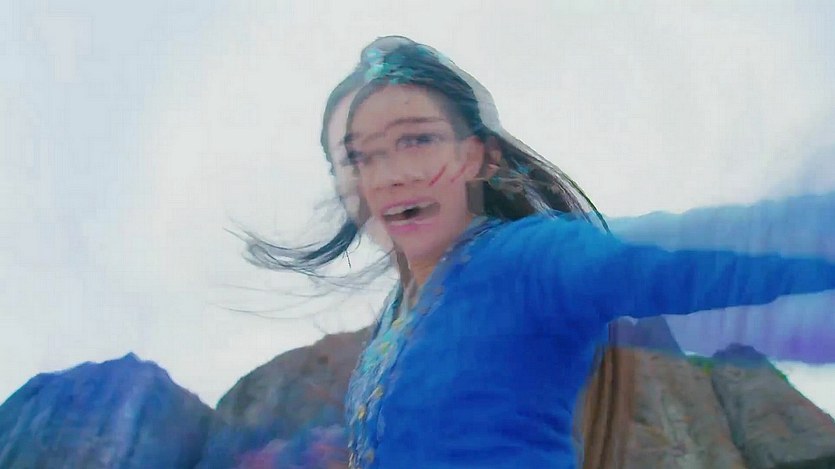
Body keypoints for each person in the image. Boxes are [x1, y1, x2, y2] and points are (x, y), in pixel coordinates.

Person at [244, 36, 835, 468]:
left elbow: (697, 252)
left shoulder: (527, 259)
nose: (390, 174)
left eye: (417, 140)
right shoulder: (394, 321)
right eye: (357, 157)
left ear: (480, 157)